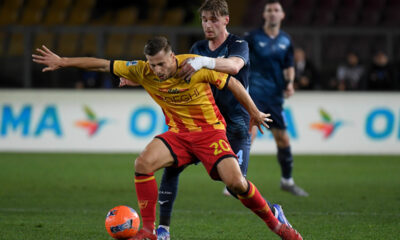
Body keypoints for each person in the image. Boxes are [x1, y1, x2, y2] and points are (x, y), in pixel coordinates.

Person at [32, 37, 303, 240]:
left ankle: (275, 220)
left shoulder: (192, 66)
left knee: (236, 184)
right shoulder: (143, 71)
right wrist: (63, 61)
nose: (158, 69)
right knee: (142, 163)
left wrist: (253, 112)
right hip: (179, 135)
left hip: (210, 133)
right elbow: (104, 65)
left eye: (162, 63)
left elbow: (231, 82)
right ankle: (150, 231)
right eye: (153, 64)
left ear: (172, 56)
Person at [139, 1, 292, 239]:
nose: (208, 25)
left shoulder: (239, 44)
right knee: (172, 168)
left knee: (235, 185)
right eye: (204, 20)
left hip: (235, 123)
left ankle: (274, 212)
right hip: (203, 123)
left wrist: (206, 62)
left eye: (213, 19)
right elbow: (170, 69)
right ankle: (163, 230)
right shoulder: (198, 47)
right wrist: (143, 76)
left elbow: (234, 66)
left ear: (226, 20)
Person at [244, 0, 308, 196]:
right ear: (264, 15)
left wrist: (289, 83)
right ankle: (236, 179)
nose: (272, 13)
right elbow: (240, 61)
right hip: (253, 94)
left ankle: (287, 181)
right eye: (269, 10)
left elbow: (288, 66)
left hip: (274, 97)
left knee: (283, 139)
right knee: (249, 135)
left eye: (276, 10)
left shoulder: (286, 40)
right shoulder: (252, 37)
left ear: (282, 16)